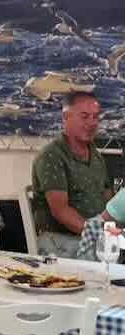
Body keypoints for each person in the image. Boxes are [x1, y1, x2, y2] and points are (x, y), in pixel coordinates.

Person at [31, 91, 111, 258]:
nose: (92, 123)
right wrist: (99, 234)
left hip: (97, 237)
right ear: (66, 117)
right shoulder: (51, 156)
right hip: (60, 242)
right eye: (84, 116)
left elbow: (108, 199)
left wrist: (113, 231)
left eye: (96, 117)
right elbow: (61, 211)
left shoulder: (95, 155)